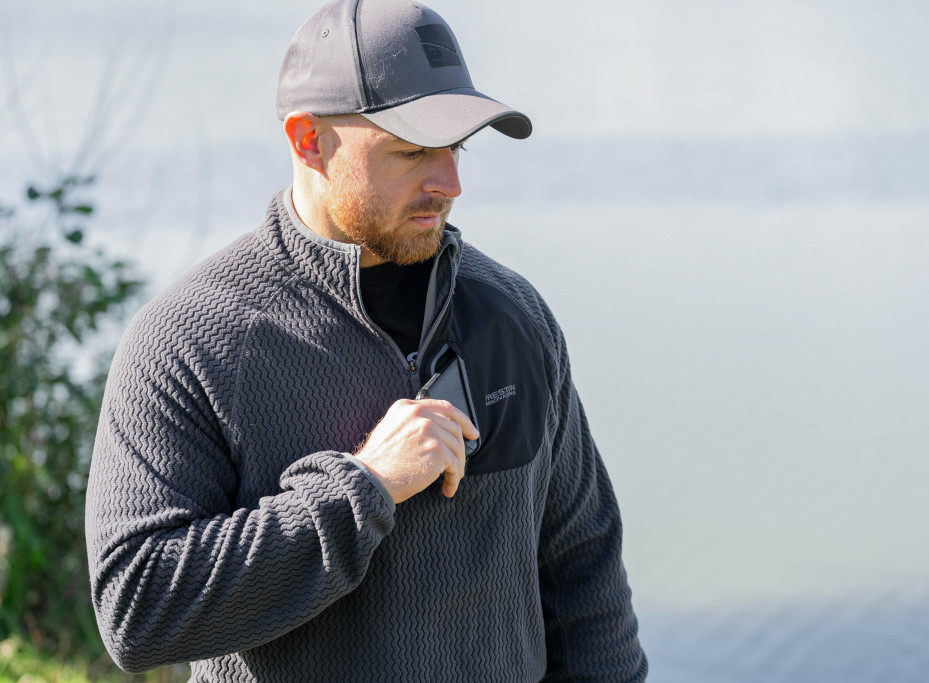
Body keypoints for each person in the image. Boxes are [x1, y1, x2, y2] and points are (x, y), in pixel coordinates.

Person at [85, 0, 647, 680]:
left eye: (457, 146)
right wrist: (365, 486)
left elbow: (585, 574)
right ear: (308, 140)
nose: (450, 183)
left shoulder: (515, 318)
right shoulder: (189, 339)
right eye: (411, 151)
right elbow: (136, 609)